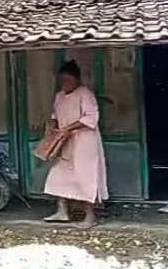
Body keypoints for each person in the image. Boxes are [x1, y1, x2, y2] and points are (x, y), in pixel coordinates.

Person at [43, 60, 108, 229]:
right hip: (65, 142)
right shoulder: (59, 96)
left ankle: (90, 217)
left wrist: (69, 128)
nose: (64, 84)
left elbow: (90, 118)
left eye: (68, 80)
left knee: (85, 177)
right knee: (58, 175)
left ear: (77, 80)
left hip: (84, 142)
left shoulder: (85, 94)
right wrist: (51, 127)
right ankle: (62, 211)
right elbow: (54, 115)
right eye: (62, 80)